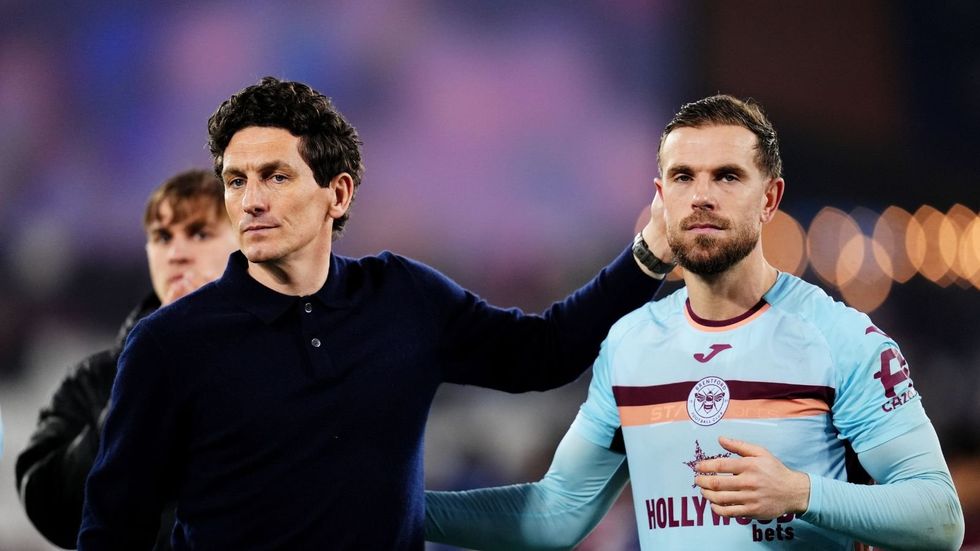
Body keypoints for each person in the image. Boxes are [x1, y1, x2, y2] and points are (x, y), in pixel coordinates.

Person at [77, 76, 672, 550]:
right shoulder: (170, 344)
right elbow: (114, 529)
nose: (250, 200)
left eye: (275, 176)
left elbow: (545, 353)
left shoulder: (402, 298)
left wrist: (648, 256)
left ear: (337, 194)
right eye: (236, 181)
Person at [425, 95, 965, 550]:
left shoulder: (843, 339)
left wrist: (801, 493)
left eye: (728, 176)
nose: (702, 195)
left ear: (769, 198)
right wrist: (401, 510)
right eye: (684, 176)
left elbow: (940, 516)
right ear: (662, 198)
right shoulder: (630, 342)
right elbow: (557, 511)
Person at [16, 169, 237, 550]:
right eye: (162, 237)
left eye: (199, 233)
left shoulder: (296, 361)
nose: (177, 253)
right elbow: (49, 509)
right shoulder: (94, 379)